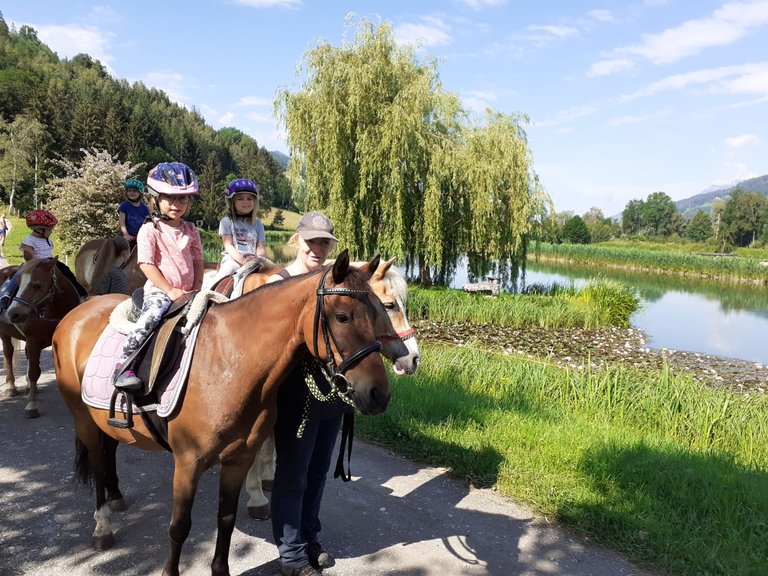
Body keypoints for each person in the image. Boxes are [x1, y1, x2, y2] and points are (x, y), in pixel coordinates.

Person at [268, 211, 347, 576]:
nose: (317, 248)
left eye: (324, 242)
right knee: (293, 474)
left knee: (317, 473)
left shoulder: (333, 280)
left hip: (330, 393)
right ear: (296, 241)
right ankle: (291, 551)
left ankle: (310, 536)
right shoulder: (278, 281)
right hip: (296, 394)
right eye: (312, 241)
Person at [113, 162, 204, 390]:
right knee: (152, 317)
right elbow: (146, 265)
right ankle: (124, 364)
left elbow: (198, 262)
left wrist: (198, 288)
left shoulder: (191, 230)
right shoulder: (149, 230)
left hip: (188, 292)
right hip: (160, 292)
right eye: (169, 197)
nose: (177, 204)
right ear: (155, 199)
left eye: (182, 199)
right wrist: (170, 290)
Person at [14, 209, 86, 298]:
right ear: (39, 230)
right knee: (17, 277)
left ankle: (81, 294)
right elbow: (29, 258)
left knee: (66, 271)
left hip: (50, 262)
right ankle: (9, 296)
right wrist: (37, 263)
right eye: (49, 229)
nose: (51, 232)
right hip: (36, 264)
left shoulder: (46, 239)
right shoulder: (30, 241)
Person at [208, 178, 266, 288]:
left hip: (254, 260)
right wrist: (242, 260)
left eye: (249, 199)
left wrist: (259, 259)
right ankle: (204, 295)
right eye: (240, 199)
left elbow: (261, 247)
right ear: (231, 202)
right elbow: (228, 245)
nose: (246, 202)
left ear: (255, 202)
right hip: (234, 259)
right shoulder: (226, 222)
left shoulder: (258, 224)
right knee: (224, 273)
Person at [118, 178, 150, 246]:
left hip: (140, 237)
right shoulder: (124, 206)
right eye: (129, 191)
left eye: (135, 191)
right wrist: (126, 234)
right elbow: (122, 222)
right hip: (127, 236)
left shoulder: (145, 208)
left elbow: (147, 223)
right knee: (121, 249)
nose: (131, 193)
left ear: (140, 193)